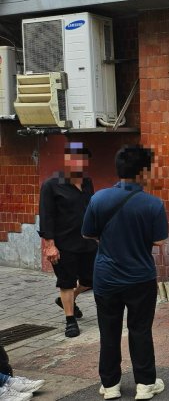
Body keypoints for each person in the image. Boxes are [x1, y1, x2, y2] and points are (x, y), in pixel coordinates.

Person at [82, 145, 169, 400]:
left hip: (106, 277)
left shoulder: (98, 198)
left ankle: (110, 385)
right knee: (140, 329)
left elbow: (88, 233)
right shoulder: (153, 203)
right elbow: (160, 241)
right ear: (142, 172)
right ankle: (144, 384)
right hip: (140, 277)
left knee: (108, 331)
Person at [39, 142, 96, 338]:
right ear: (66, 160)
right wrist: (50, 245)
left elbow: (92, 211)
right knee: (67, 282)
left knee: (91, 280)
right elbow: (46, 216)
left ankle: (66, 300)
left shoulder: (87, 183)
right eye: (74, 158)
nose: (78, 162)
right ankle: (70, 321)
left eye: (82, 158)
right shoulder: (51, 185)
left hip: (87, 242)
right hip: (64, 244)